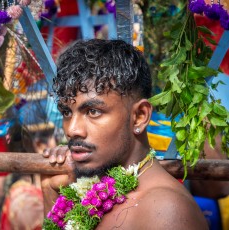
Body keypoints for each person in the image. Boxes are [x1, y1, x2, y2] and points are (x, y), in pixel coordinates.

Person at [40, 39, 208, 229]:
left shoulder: (166, 211)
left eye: (93, 112)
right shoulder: (89, 190)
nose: (72, 130)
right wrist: (51, 191)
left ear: (139, 116)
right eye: (67, 113)